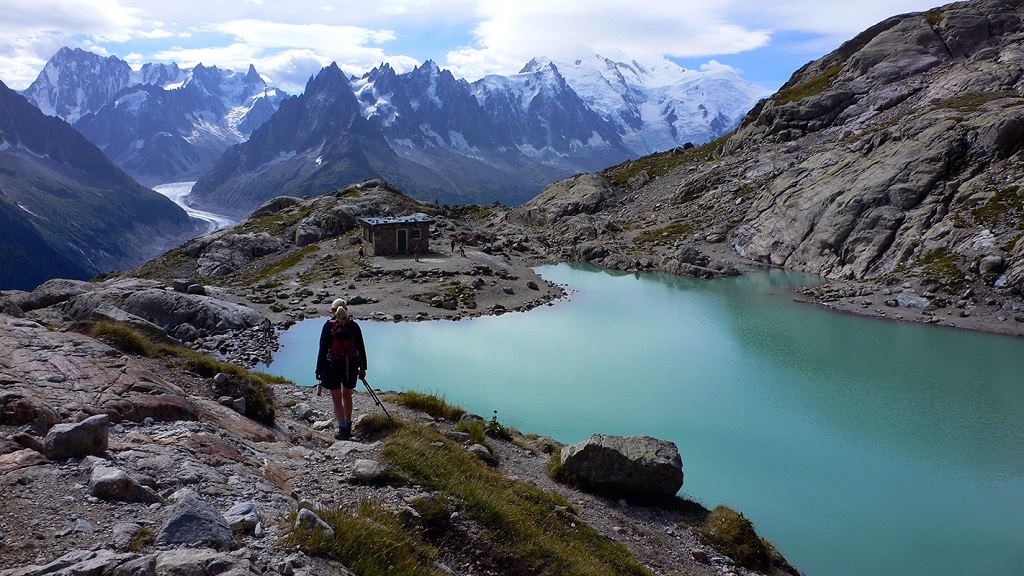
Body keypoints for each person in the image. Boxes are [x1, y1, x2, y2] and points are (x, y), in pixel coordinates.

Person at [315, 299, 367, 440]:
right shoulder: (354, 326)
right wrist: (363, 368)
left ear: (333, 311)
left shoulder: (328, 326)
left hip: (332, 367)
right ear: (346, 309)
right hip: (351, 367)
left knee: (337, 399)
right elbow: (361, 348)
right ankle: (348, 425)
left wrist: (318, 370)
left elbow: (322, 350)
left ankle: (342, 428)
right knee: (347, 395)